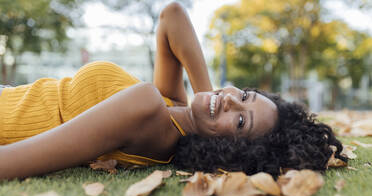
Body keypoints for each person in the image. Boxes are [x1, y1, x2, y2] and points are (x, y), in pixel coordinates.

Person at [0, 3, 345, 180]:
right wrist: (212, 99)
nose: (229, 100)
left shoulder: (149, 111)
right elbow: (172, 15)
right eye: (243, 96)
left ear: (229, 150)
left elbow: (11, 162)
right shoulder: (172, 110)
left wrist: (212, 108)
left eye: (240, 122)